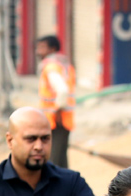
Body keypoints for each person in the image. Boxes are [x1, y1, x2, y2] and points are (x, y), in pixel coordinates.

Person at [36, 34, 74, 168]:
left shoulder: (51, 67)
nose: (38, 51)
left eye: (42, 48)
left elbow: (62, 90)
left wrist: (58, 110)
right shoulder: (63, 64)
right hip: (62, 121)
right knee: (61, 161)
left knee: (53, 162)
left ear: (52, 49)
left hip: (56, 121)